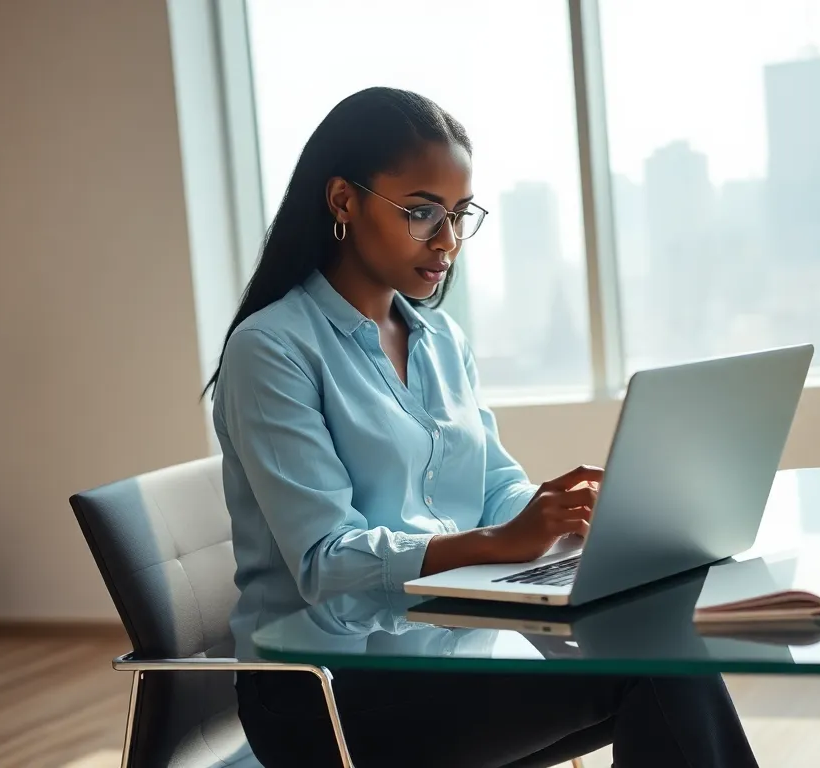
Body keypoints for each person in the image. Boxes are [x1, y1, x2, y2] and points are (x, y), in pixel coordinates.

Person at [206, 86, 759, 768]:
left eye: (460, 216)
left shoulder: (438, 339)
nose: (448, 241)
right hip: (327, 697)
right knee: (657, 671)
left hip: (453, 656)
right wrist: (496, 543)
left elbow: (492, 484)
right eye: (421, 213)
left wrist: (555, 513)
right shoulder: (273, 349)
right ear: (343, 201)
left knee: (663, 652)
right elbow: (326, 563)